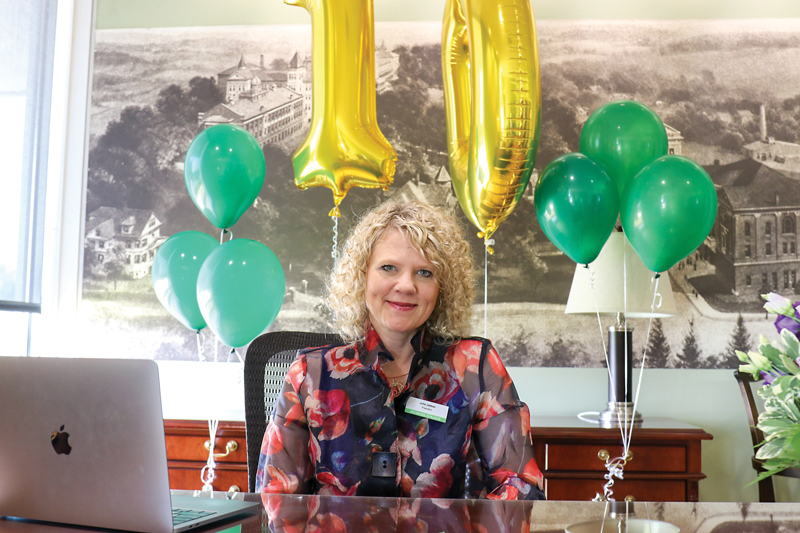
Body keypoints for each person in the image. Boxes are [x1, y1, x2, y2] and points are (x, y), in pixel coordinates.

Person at [255, 201, 545, 499]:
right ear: (362, 276)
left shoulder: (474, 366)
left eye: (425, 272)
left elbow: (521, 487)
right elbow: (275, 500)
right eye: (389, 267)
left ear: (442, 288)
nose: (406, 285)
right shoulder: (309, 374)